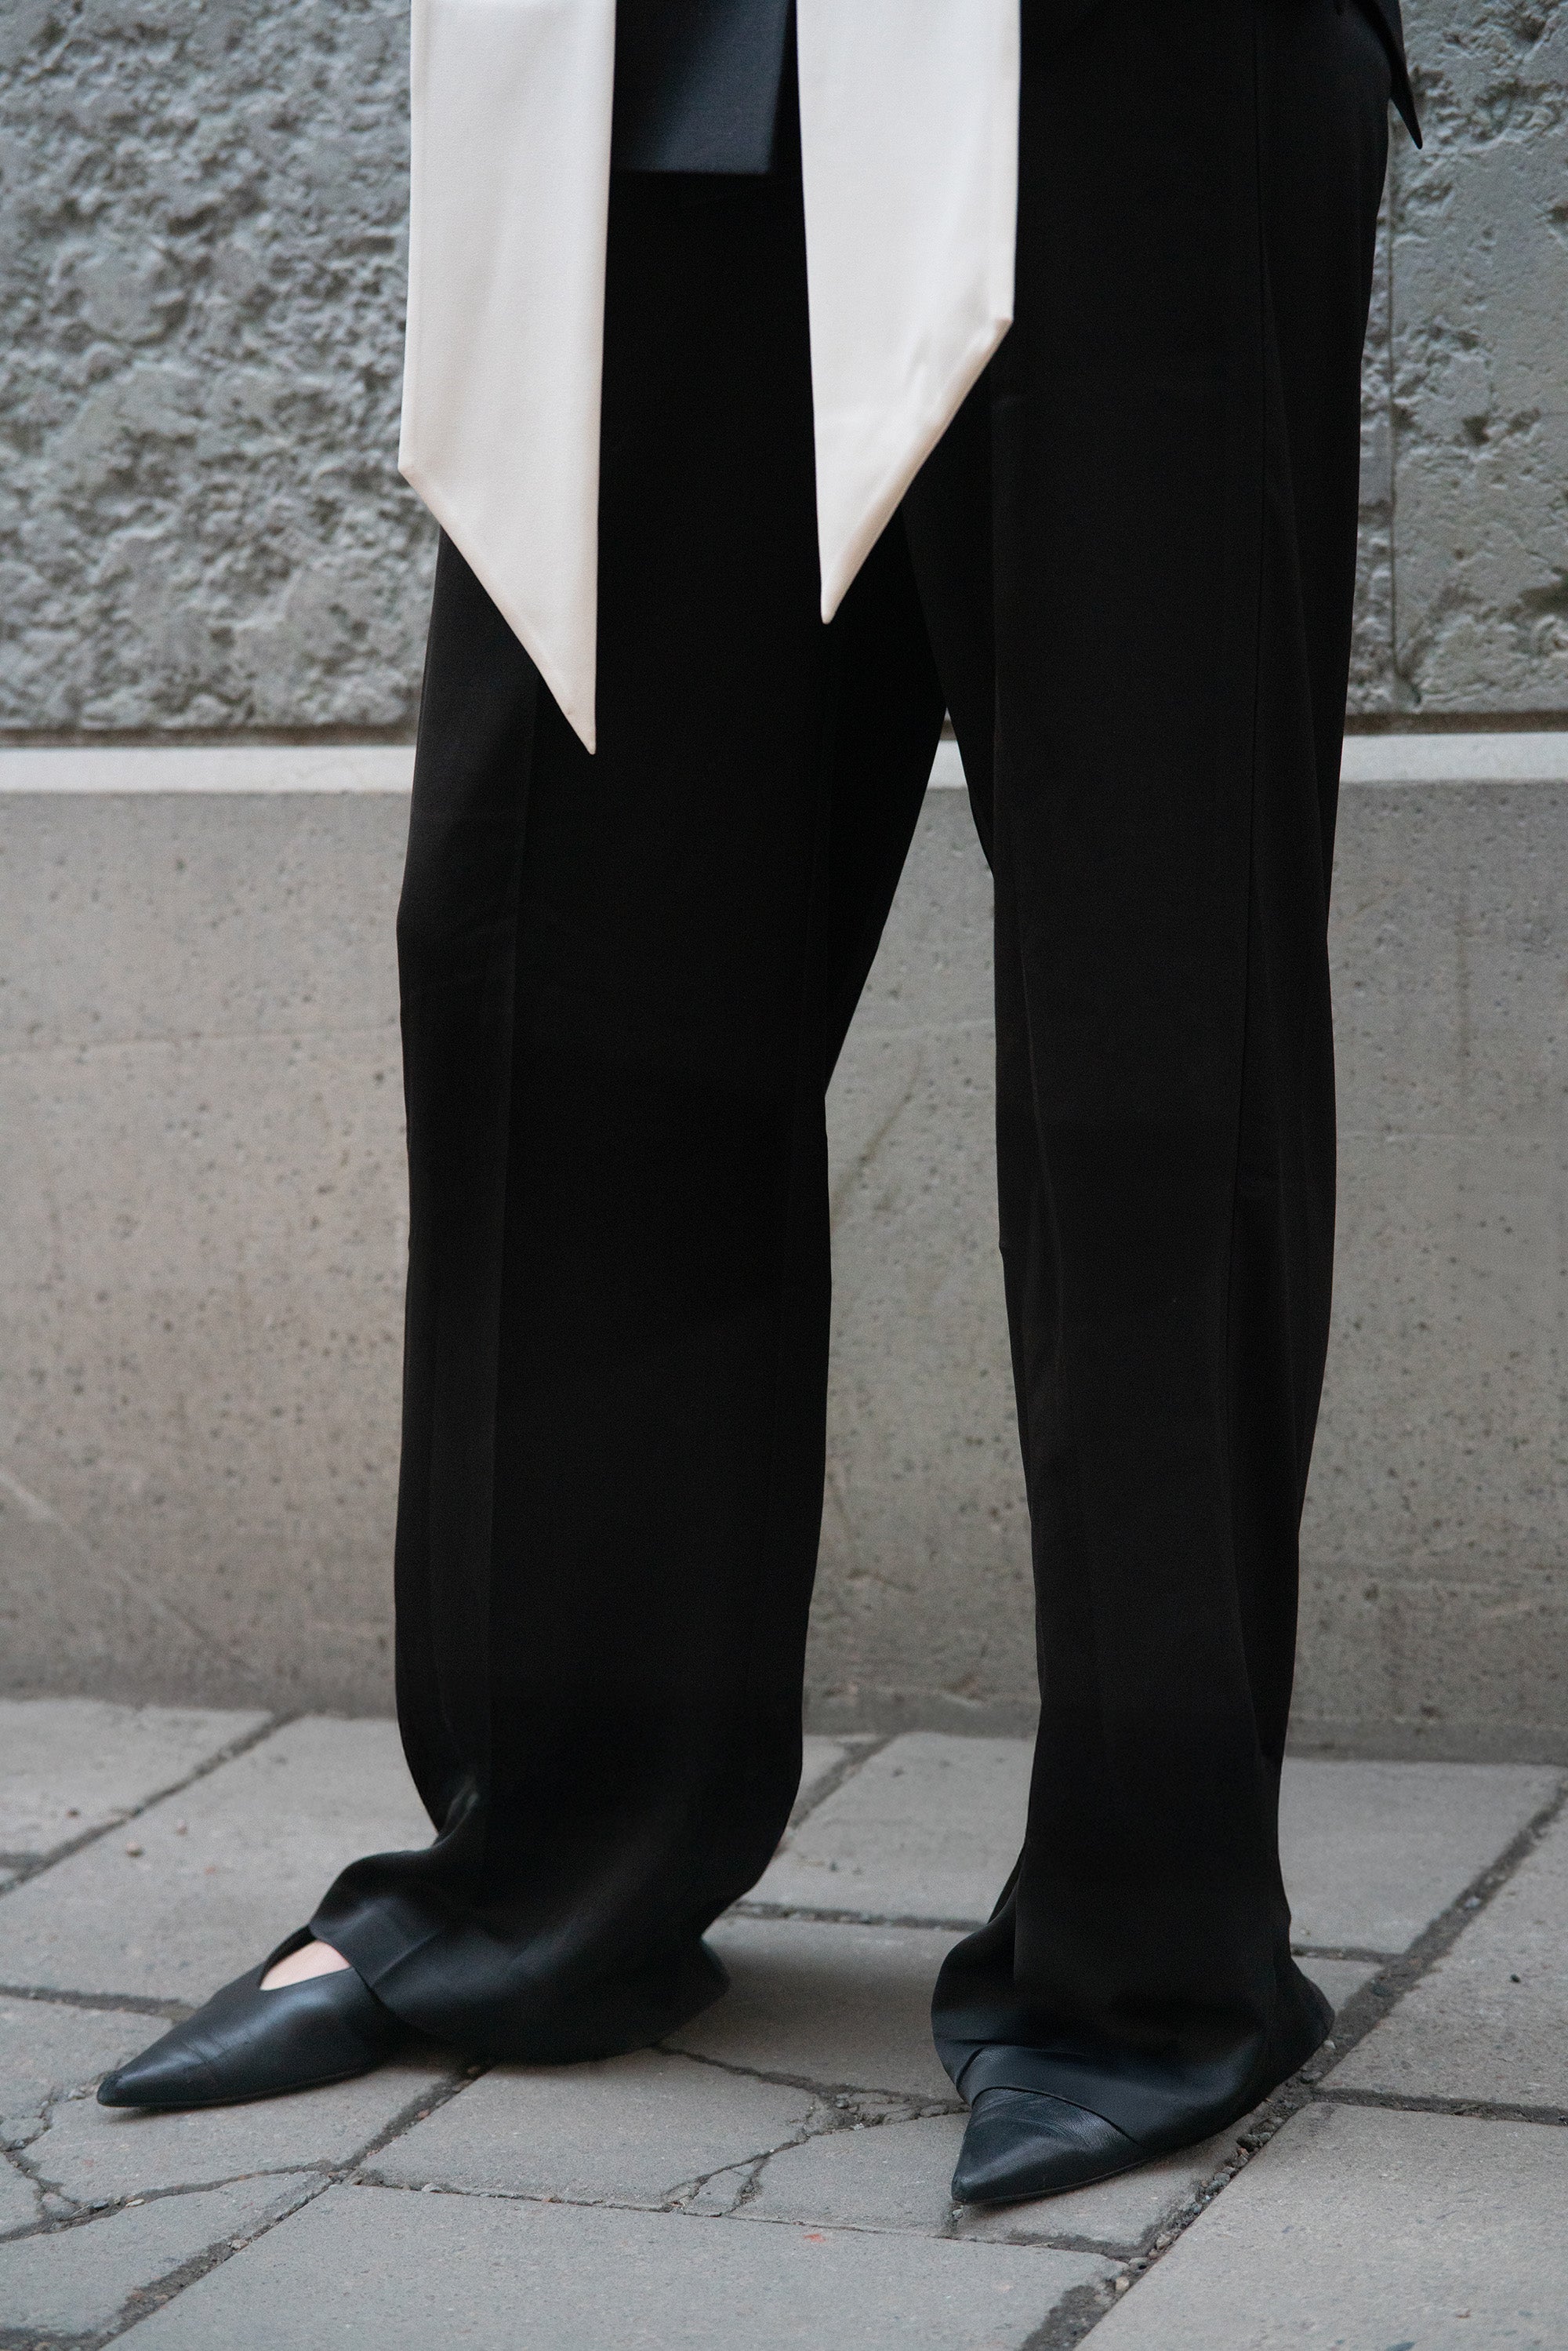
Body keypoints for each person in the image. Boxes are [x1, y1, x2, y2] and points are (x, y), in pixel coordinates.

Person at [100, 0, 1418, 2208]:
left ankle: (1154, 1943)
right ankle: (547, 1857)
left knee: (1148, 1012)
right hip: (655, 49)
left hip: (1127, 61)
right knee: (554, 959)